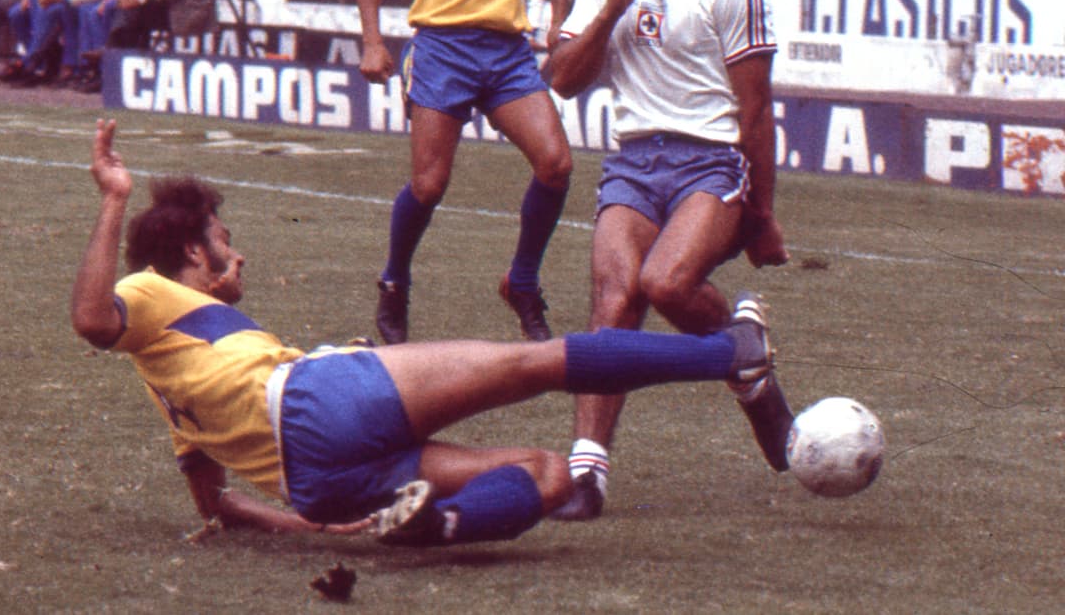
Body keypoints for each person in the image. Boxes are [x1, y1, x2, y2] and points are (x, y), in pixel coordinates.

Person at [70, 119, 793, 546]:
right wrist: (115, 201)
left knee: (548, 473)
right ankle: (728, 351)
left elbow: (214, 503)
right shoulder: (146, 292)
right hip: (320, 401)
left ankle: (436, 525)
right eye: (225, 239)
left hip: (321, 486)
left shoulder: (172, 381)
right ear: (194, 252)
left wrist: (312, 527)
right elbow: (93, 319)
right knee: (531, 363)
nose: (239, 253)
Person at [541, 0, 791, 521]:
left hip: (711, 164)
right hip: (632, 162)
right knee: (615, 299)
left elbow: (754, 112)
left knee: (667, 282)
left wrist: (763, 219)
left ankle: (742, 353)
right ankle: (588, 474)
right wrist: (610, 10)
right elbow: (561, 79)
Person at [354, 0, 574, 345]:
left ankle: (522, 281)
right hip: (442, 51)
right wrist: (373, 41)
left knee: (556, 164)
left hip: (506, 52)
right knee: (429, 185)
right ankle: (395, 281)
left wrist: (557, 18)